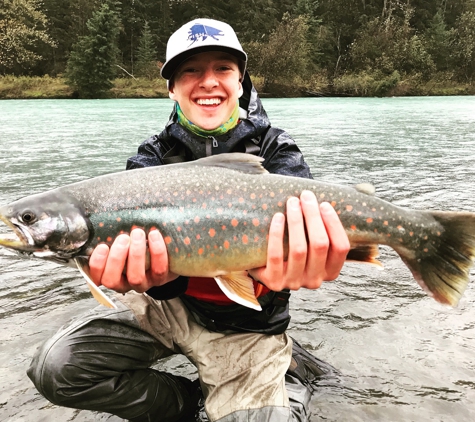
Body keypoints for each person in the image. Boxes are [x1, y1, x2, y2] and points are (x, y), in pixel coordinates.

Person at [27, 18, 350, 422]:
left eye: (222, 69)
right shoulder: (150, 157)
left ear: (241, 81)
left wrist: (301, 267)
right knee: (55, 370)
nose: (208, 81)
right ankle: (185, 402)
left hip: (249, 324)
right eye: (191, 70)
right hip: (170, 308)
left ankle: (287, 372)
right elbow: (147, 273)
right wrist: (161, 280)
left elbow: (308, 236)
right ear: (172, 88)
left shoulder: (275, 149)